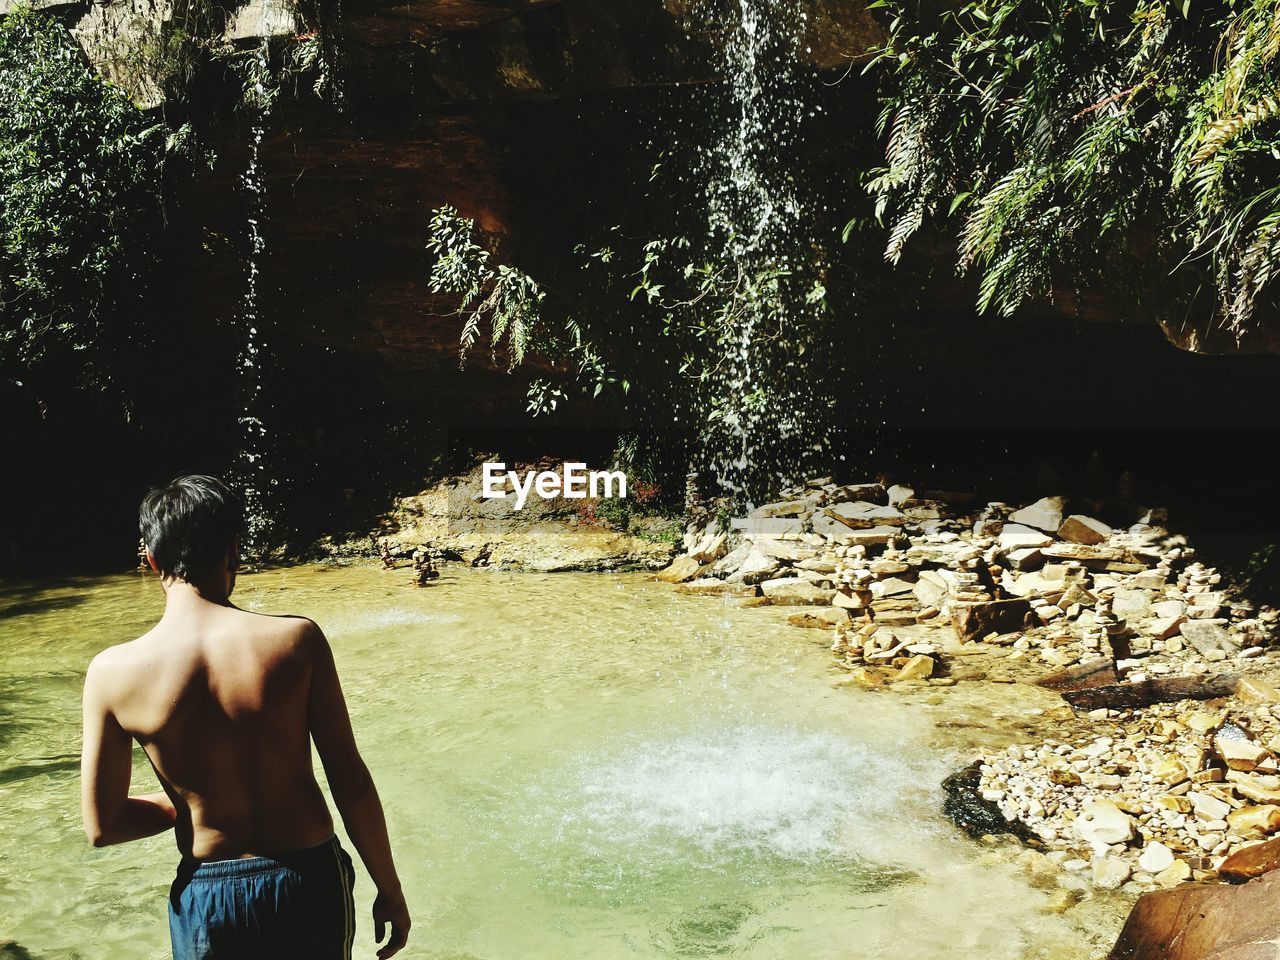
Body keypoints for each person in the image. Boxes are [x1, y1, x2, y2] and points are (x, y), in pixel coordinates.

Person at [80, 475, 411, 959]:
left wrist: (191, 801)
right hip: (306, 878)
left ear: (151, 561)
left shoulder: (111, 673)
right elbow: (349, 778)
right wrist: (390, 887)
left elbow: (103, 826)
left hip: (208, 897)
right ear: (234, 551)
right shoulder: (297, 642)